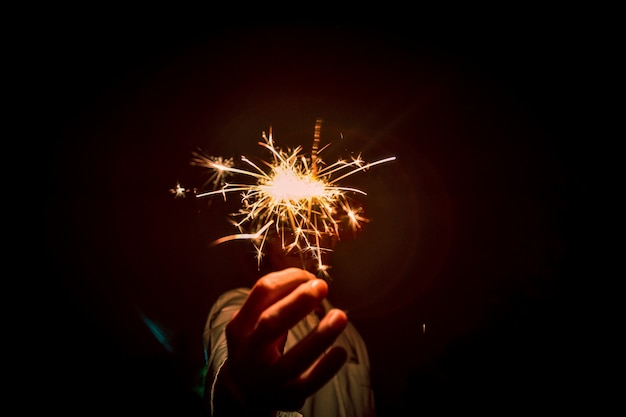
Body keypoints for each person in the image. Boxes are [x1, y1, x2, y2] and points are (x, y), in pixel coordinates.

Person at [202, 235, 376, 417]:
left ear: (332, 241)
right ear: (266, 244)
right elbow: (227, 355)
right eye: (284, 228)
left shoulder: (351, 335)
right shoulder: (239, 305)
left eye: (314, 223)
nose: (301, 237)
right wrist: (236, 390)